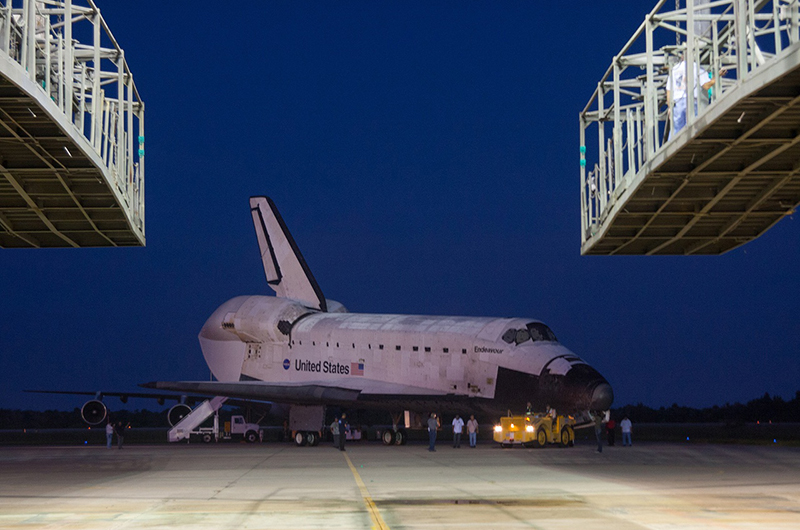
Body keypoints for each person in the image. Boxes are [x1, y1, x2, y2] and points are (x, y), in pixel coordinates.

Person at [667, 55, 725, 140]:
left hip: (677, 103)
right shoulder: (697, 68)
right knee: (693, 128)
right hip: (692, 101)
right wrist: (717, 76)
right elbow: (706, 86)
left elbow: (669, 91)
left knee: (675, 130)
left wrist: (669, 107)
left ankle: (671, 149)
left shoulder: (674, 69)